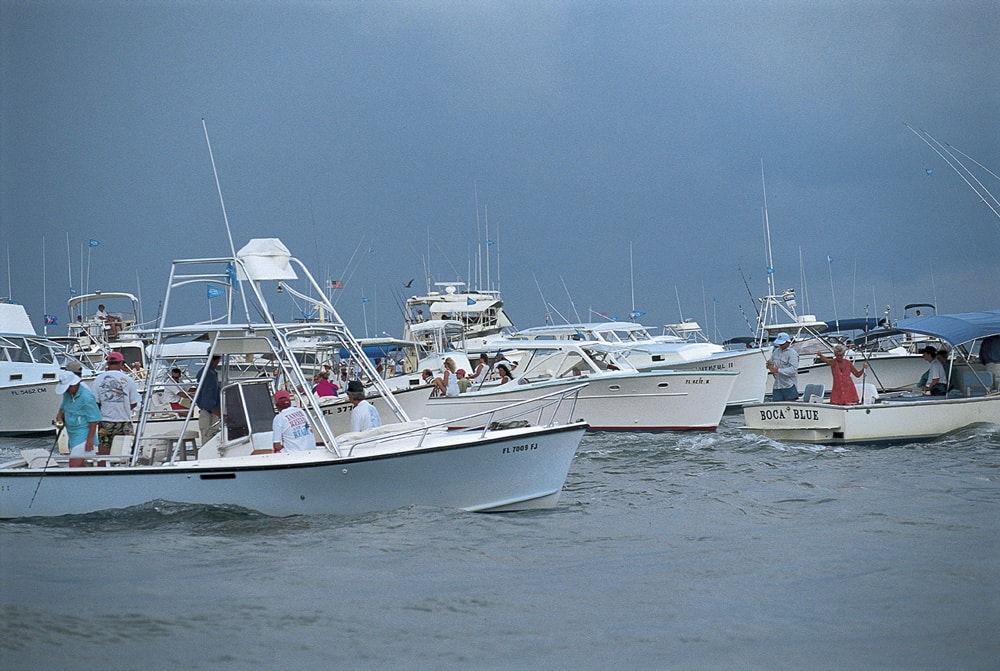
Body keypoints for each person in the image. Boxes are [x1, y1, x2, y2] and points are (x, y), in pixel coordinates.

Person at [93, 351, 140, 461]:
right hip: (124, 422)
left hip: (105, 421)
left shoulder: (98, 379)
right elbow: (134, 403)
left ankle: (102, 474)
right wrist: (124, 408)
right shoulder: (128, 379)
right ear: (121, 363)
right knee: (126, 455)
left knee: (103, 456)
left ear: (108, 364)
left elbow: (96, 402)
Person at [55, 369, 102, 467]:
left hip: (83, 435)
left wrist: (90, 440)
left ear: (74, 384)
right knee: (81, 466)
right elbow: (63, 407)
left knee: (73, 465)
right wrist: (59, 417)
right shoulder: (67, 394)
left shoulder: (87, 397)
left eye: (68, 388)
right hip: (72, 434)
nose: (66, 390)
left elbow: (93, 420)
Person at [195, 355, 222, 443]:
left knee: (208, 435)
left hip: (207, 410)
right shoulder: (209, 374)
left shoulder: (205, 372)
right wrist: (220, 414)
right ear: (217, 360)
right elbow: (208, 400)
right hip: (210, 412)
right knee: (209, 436)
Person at [767, 332, 799, 401]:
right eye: (779, 343)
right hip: (777, 385)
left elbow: (793, 370)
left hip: (789, 385)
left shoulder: (792, 353)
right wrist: (769, 365)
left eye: (782, 343)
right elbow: (770, 365)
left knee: (791, 405)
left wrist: (778, 370)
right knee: (776, 405)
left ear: (788, 342)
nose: (780, 345)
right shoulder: (776, 351)